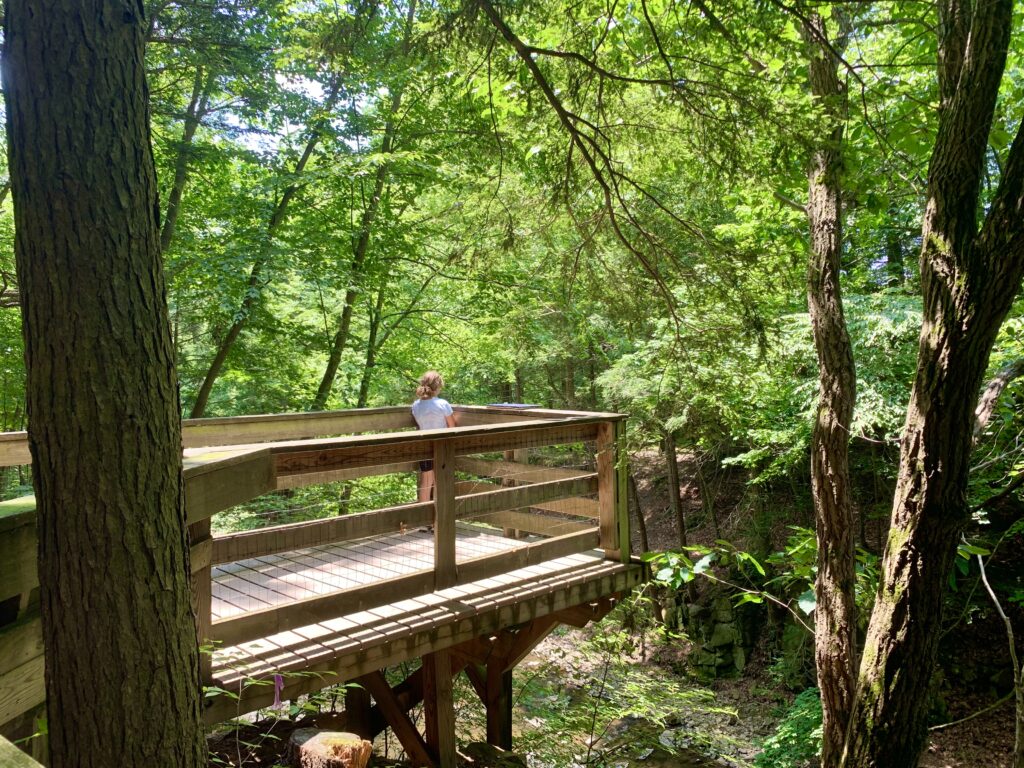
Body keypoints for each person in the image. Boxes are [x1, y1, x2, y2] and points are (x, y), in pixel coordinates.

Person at [411, 370, 457, 502]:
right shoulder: (442, 404)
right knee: (441, 480)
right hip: (442, 446)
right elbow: (452, 426)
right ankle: (439, 518)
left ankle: (422, 515)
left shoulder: (416, 405)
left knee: (426, 481)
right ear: (437, 386)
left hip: (424, 445)